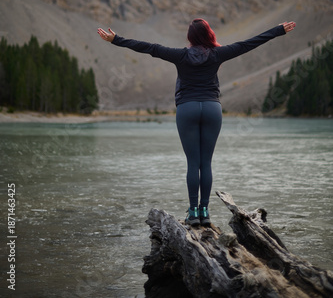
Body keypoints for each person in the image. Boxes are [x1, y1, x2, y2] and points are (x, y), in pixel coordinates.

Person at [97, 19, 296, 227]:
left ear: (190, 37)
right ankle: (205, 211)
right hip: (212, 108)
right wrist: (278, 30)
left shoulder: (181, 55)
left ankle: (193, 212)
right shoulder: (218, 54)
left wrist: (115, 40)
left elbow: (150, 48)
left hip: (187, 108)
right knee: (206, 163)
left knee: (193, 163)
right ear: (209, 34)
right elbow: (248, 44)